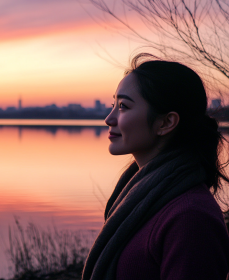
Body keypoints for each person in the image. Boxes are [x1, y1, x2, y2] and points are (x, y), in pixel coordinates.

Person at [81, 53, 229, 280]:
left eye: (123, 106)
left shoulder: (191, 218)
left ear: (166, 122)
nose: (109, 119)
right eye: (114, 104)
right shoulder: (135, 197)